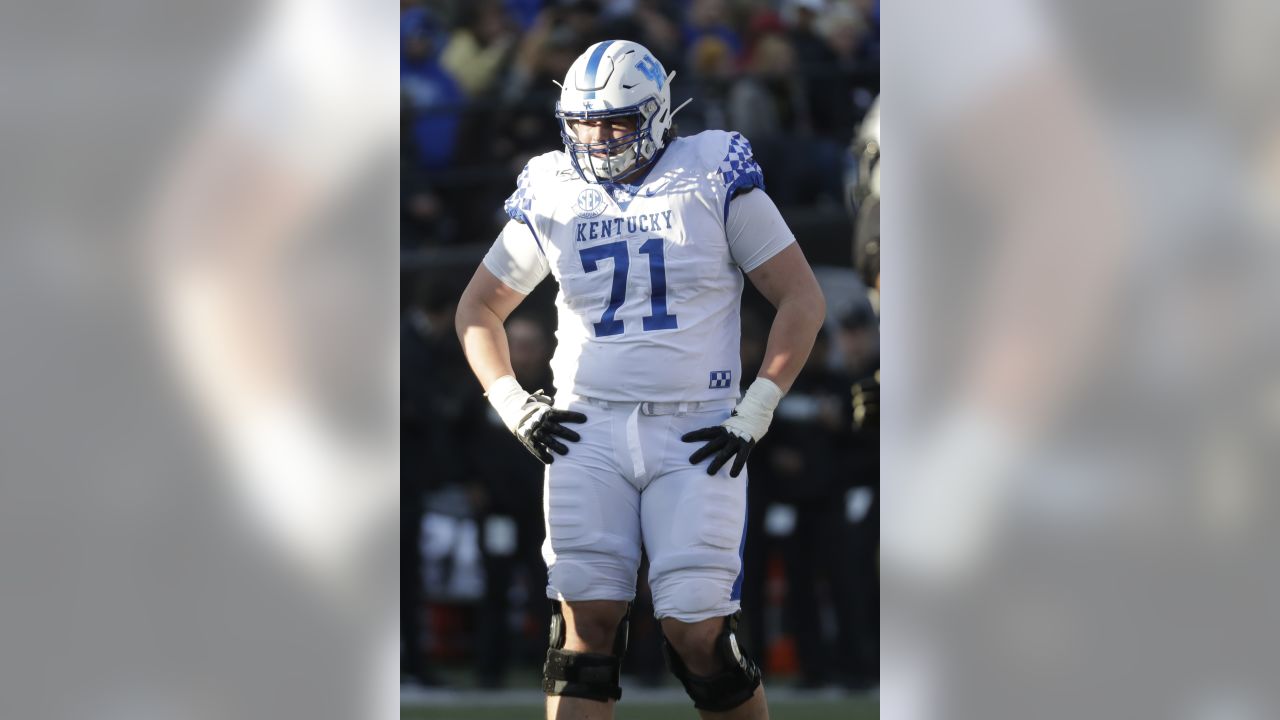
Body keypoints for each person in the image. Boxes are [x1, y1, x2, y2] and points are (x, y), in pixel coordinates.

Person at [454, 39, 825, 720]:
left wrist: (758, 407)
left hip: (697, 427)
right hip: (586, 427)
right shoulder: (552, 185)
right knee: (583, 626)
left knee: (697, 630)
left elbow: (802, 298)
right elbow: (478, 309)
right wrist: (512, 402)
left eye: (617, 121)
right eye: (585, 122)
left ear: (656, 115)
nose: (598, 138)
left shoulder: (710, 170)